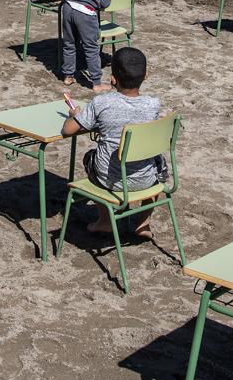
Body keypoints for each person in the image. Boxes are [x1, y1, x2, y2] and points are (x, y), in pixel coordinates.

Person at [61, 46, 163, 237]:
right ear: (145, 75)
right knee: (157, 162)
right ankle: (143, 223)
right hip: (148, 179)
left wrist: (76, 115)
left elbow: (68, 131)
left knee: (90, 158)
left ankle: (105, 221)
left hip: (111, 179)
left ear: (113, 79)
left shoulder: (102, 103)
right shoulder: (152, 105)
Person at [59, 0, 126, 93]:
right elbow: (106, 1)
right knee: (91, 47)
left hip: (68, 6)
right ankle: (96, 83)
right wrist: (95, 2)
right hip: (86, 12)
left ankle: (68, 76)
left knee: (69, 43)